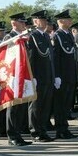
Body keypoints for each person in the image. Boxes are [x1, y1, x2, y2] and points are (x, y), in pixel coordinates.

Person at [3, 13, 32, 146]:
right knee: (13, 107)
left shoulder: (22, 37)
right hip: (13, 76)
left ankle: (18, 134)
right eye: (22, 22)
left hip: (22, 76)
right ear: (14, 23)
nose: (24, 25)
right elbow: (6, 57)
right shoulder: (9, 37)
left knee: (21, 106)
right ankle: (12, 136)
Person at [27, 10, 55, 142]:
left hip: (47, 76)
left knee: (45, 105)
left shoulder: (45, 36)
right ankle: (35, 132)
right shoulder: (32, 36)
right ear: (35, 21)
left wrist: (53, 75)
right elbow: (31, 57)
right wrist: (32, 76)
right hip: (38, 76)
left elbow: (50, 58)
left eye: (46, 21)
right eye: (42, 20)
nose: (45, 23)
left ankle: (43, 129)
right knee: (36, 106)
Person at [52, 10, 78, 139]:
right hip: (61, 75)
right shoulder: (56, 36)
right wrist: (56, 75)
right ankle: (60, 129)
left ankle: (65, 127)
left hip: (70, 74)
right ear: (61, 21)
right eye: (68, 19)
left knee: (67, 103)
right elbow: (55, 56)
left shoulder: (68, 35)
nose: (70, 21)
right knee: (60, 104)